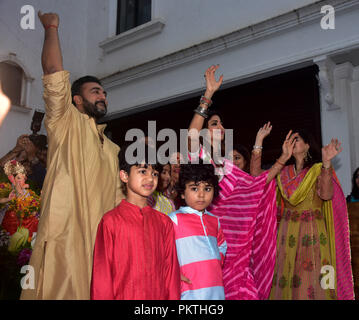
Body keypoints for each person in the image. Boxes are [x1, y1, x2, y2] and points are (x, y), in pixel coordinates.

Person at [21, 12, 123, 300]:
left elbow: (117, 200)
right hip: (66, 240)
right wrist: (51, 27)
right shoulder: (65, 122)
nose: (102, 95)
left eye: (104, 91)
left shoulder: (111, 149)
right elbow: (53, 69)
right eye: (95, 91)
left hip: (101, 248)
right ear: (77, 99)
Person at [187, 65, 279, 300]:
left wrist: (280, 160)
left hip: (235, 244)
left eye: (221, 124)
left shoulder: (228, 167)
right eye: (214, 123)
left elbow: (254, 186)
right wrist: (207, 96)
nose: (220, 127)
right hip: (204, 238)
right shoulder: (198, 158)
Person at [254, 126, 354, 299]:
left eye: (297, 139)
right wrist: (259, 142)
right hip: (287, 233)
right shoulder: (283, 171)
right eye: (290, 140)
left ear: (308, 145)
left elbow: (326, 194)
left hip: (312, 233)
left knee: (310, 279)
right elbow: (257, 179)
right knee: (288, 278)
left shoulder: (317, 169)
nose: (292, 143)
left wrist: (327, 164)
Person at [91, 143, 181, 300]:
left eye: (154, 173)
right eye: (142, 171)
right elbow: (102, 277)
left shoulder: (164, 223)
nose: (150, 178)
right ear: (124, 176)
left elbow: (171, 274)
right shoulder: (110, 221)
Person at [169, 161, 227, 299]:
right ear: (182, 193)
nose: (201, 195)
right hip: (189, 290)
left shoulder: (214, 221)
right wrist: (173, 273)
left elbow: (222, 245)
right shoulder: (174, 219)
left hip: (216, 288)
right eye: (194, 189)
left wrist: (214, 264)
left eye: (207, 189)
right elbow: (160, 250)